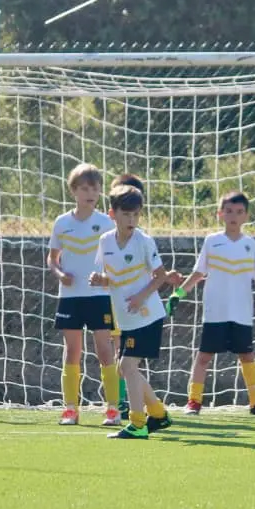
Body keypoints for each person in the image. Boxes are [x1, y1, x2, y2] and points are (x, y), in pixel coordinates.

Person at [172, 192, 255, 416]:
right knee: (204, 356)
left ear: (246, 216)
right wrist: (180, 292)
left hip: (241, 312)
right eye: (229, 211)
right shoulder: (212, 241)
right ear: (220, 214)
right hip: (216, 312)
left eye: (239, 212)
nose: (233, 216)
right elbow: (198, 272)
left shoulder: (250, 244)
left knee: (247, 356)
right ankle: (194, 401)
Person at [90, 185, 172, 439]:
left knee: (127, 366)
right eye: (126, 214)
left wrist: (140, 296)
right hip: (125, 318)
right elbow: (112, 279)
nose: (132, 220)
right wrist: (100, 279)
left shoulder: (144, 241)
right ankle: (158, 413)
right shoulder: (105, 242)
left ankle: (138, 424)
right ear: (112, 214)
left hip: (147, 315)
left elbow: (161, 277)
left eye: (136, 215)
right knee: (124, 369)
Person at [47, 163, 121, 426]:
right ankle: (70, 408)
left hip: (100, 296)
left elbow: (117, 258)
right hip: (70, 297)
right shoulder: (62, 223)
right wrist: (60, 274)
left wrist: (108, 279)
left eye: (95, 188)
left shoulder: (105, 223)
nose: (90, 193)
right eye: (84, 188)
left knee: (104, 350)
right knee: (72, 351)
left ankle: (112, 408)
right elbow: (52, 258)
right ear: (74, 191)